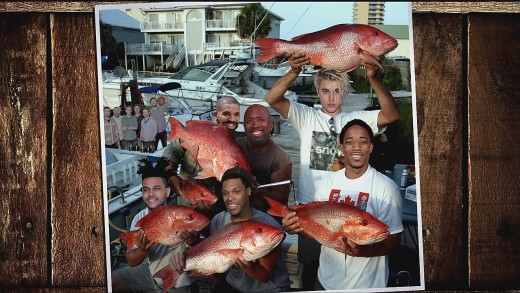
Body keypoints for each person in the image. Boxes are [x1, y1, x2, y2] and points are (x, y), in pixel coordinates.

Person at [263, 52, 400, 291]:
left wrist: (374, 79)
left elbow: (391, 114)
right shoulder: (307, 116)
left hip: (343, 209)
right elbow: (272, 98)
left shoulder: (356, 119)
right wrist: (294, 71)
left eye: (337, 91)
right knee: (311, 268)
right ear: (318, 92)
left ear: (345, 93)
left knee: (345, 261)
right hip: (311, 211)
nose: (331, 97)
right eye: (325, 91)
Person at [281, 119, 403, 290]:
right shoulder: (326, 182)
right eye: (349, 142)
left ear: (371, 147)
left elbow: (394, 240)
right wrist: (297, 228)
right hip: (325, 282)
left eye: (363, 141)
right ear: (341, 148)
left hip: (367, 286)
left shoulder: (387, 188)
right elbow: (317, 232)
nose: (356, 147)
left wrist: (363, 252)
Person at [169, 167, 291, 293]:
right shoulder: (218, 220)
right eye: (225, 193)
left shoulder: (267, 227)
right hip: (233, 286)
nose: (230, 198)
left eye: (236, 192)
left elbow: (264, 276)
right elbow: (214, 257)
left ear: (248, 191)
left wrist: (245, 265)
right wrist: (193, 242)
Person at [111, 158, 195, 293]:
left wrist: (193, 241)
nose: (150, 194)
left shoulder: (182, 215)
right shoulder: (139, 218)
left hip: (178, 283)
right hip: (151, 275)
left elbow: (200, 246)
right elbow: (131, 261)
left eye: (156, 189)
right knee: (111, 282)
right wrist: (142, 250)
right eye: (146, 189)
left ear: (167, 192)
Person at [161, 96, 245, 222]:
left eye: (236, 115)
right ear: (216, 115)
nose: (232, 119)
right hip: (188, 209)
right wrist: (170, 174)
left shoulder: (241, 142)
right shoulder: (200, 132)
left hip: (221, 211)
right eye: (226, 114)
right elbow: (171, 150)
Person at [234, 104, 292, 220]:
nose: (255, 125)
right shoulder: (236, 145)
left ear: (271, 126)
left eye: (261, 120)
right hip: (236, 212)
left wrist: (260, 191)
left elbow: (281, 198)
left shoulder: (280, 158)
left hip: (265, 219)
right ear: (244, 127)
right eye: (249, 121)